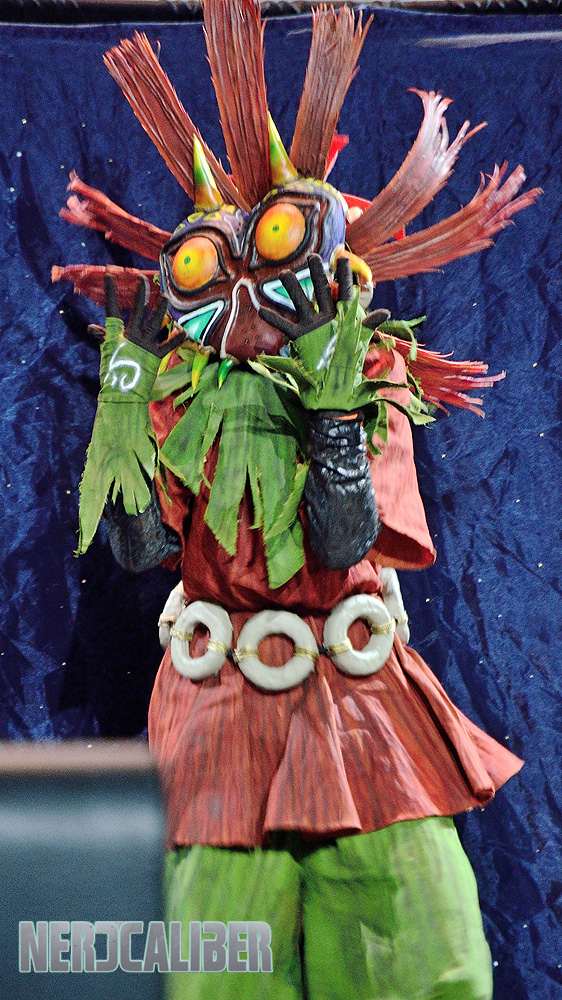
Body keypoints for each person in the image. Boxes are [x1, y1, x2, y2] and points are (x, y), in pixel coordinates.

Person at [53, 2, 540, 996]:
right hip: (218, 712)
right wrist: (123, 424)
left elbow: (343, 536)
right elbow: (142, 551)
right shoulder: (181, 392)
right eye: (212, 255)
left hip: (358, 707)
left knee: (420, 956)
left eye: (274, 242)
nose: (241, 278)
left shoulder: (370, 373)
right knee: (218, 965)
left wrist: (330, 404)